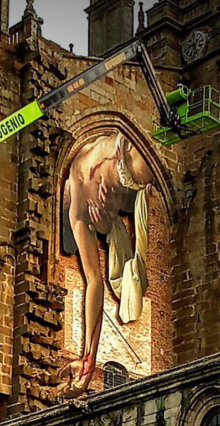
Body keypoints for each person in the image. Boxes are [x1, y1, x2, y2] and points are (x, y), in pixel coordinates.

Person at [59, 133, 153, 399]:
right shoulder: (79, 211)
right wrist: (88, 360)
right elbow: (94, 282)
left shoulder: (113, 148)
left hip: (128, 155)